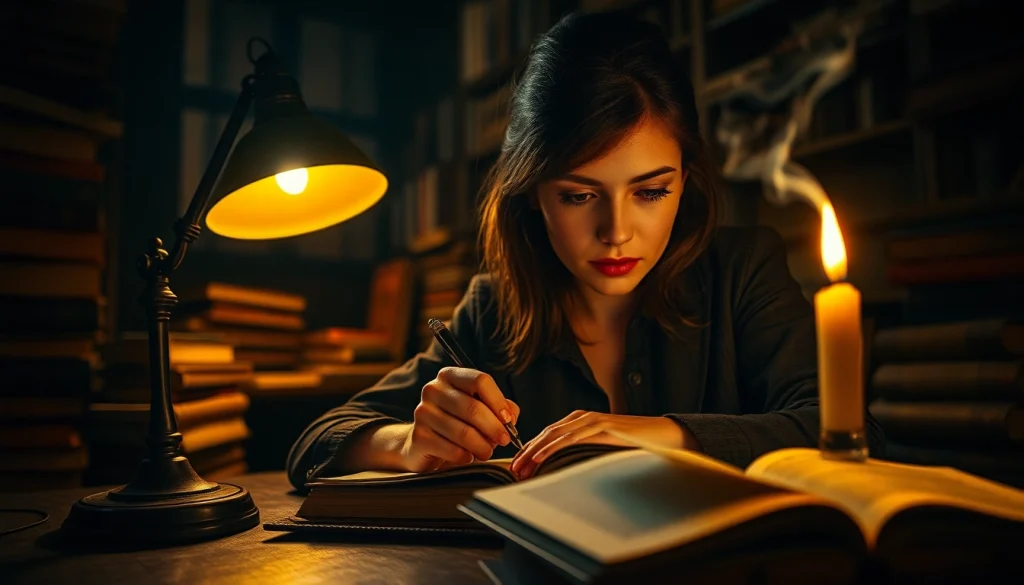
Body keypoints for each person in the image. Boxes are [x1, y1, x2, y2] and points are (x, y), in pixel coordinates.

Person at [286, 9, 885, 490]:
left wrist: (652, 433)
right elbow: (316, 439)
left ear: (686, 179)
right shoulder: (492, 310)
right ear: (531, 196)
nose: (617, 231)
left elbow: (840, 432)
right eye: (578, 196)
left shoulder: (743, 271)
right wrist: (409, 442)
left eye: (650, 191)